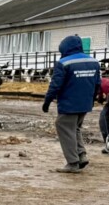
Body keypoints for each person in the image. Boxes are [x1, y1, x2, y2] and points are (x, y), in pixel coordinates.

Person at [42, 35, 102, 173]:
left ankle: (72, 163)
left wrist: (47, 101)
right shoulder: (94, 62)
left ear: (64, 48)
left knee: (63, 126)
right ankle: (81, 155)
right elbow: (98, 84)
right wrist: (91, 100)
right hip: (85, 103)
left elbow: (55, 85)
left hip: (69, 104)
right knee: (75, 128)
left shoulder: (63, 63)